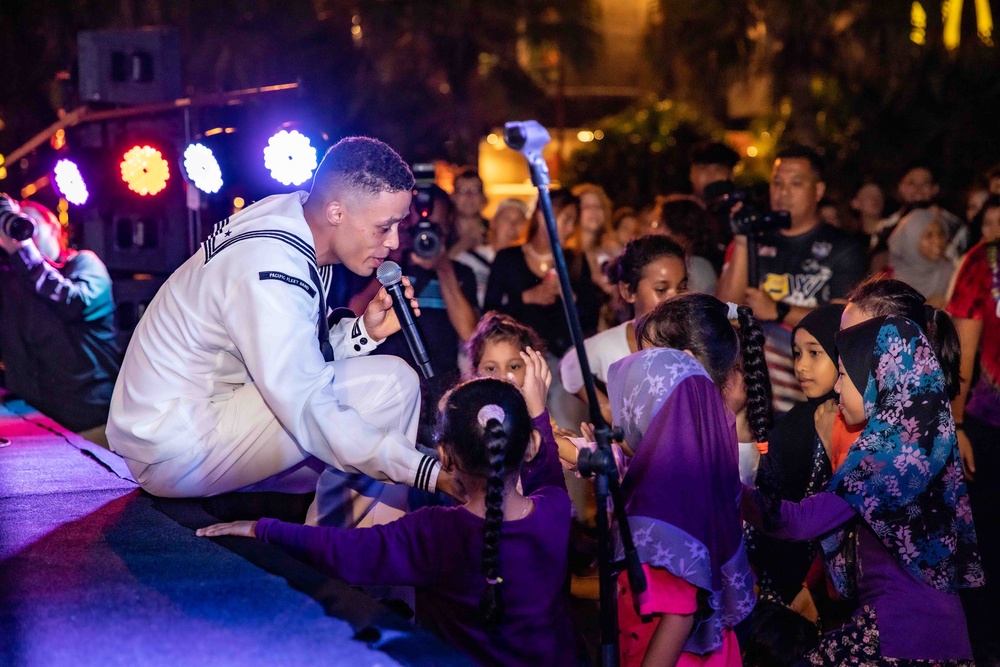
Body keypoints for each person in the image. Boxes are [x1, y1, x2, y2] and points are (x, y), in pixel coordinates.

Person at [107, 137, 458, 510]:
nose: (393, 242)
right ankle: (354, 554)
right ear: (337, 212)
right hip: (173, 446)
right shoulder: (272, 265)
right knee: (391, 385)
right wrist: (430, 472)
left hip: (187, 427)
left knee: (358, 443)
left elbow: (293, 362)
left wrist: (364, 332)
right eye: (384, 227)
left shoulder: (290, 217)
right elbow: (306, 402)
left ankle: (341, 547)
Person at [197, 360, 582, 667]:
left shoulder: (436, 532)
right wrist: (537, 414)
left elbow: (341, 550)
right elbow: (547, 472)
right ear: (527, 447)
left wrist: (262, 529)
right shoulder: (554, 512)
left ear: (445, 457)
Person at [742, 315, 981, 665]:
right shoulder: (912, 441)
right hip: (929, 633)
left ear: (875, 380)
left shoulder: (889, 456)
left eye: (842, 375)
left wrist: (724, 486)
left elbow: (797, 522)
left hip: (904, 638)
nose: (837, 388)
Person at [609, 294, 769, 665]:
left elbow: (679, 613)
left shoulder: (677, 480)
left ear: (684, 368)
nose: (635, 370)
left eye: (649, 360)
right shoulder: (704, 440)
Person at [716, 145, 867, 414]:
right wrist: (742, 239)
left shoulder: (844, 246)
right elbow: (724, 308)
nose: (783, 193)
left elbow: (843, 317)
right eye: (777, 183)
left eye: (795, 183)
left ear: (818, 191)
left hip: (820, 392)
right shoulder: (756, 240)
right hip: (760, 392)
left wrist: (778, 311)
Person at [749, 304, 845, 650]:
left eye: (814, 353)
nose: (800, 365)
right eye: (796, 353)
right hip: (785, 579)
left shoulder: (858, 422)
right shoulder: (794, 425)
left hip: (835, 584)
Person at [0, 197, 120, 442]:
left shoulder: (85, 264)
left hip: (91, 423)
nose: (18, 231)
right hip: (36, 424)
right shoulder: (12, 282)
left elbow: (75, 303)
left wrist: (23, 251)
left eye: (26, 222)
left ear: (54, 227)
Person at [559, 234, 689, 425]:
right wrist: (605, 408)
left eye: (682, 287)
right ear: (628, 291)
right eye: (661, 290)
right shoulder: (609, 346)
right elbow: (570, 367)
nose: (675, 299)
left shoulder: (695, 338)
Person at [947, 237, 1000, 663]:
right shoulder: (989, 260)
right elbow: (962, 346)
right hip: (987, 425)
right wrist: (957, 421)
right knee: (987, 544)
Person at [455, 197, 529, 309]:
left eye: (519, 220)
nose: (512, 225)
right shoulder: (468, 260)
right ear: (493, 223)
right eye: (506, 219)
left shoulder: (528, 266)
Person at [885, 208, 956, 308]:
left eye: (941, 234)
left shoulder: (952, 273)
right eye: (929, 235)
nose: (938, 241)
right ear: (911, 240)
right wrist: (924, 307)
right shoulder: (889, 281)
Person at [448, 167, 489, 259]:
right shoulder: (443, 232)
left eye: (475, 190)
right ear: (453, 196)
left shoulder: (494, 230)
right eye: (462, 190)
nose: (469, 196)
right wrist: (464, 243)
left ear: (483, 197)